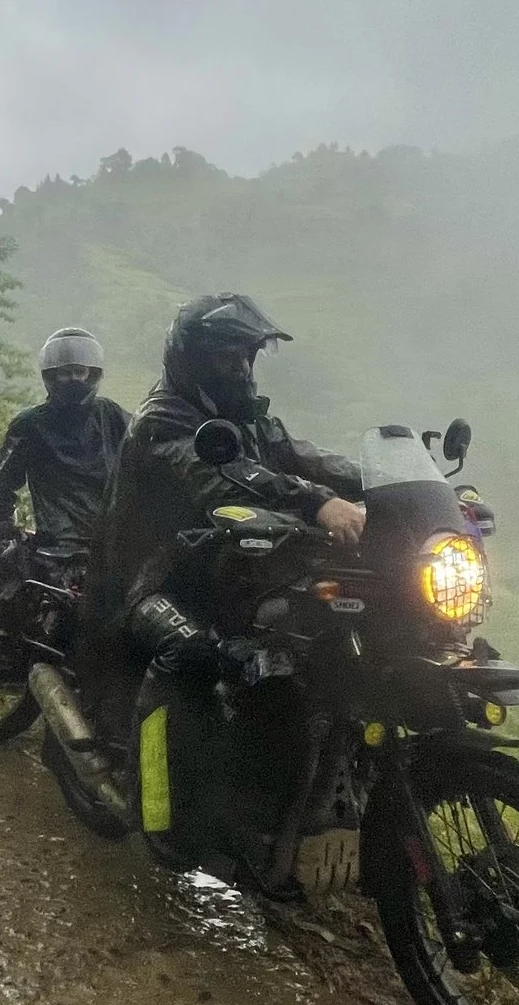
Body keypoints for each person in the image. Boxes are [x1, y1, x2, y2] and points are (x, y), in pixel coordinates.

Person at [91, 293, 366, 723]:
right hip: (150, 578)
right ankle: (144, 780)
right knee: (192, 651)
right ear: (193, 361)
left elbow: (302, 456)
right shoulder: (163, 419)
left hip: (215, 569)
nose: (240, 368)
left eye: (246, 356)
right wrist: (318, 503)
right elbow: (220, 477)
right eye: (226, 358)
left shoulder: (242, 413)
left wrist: (383, 482)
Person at [0, 327, 130, 548]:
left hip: (113, 540)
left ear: (90, 373)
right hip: (55, 546)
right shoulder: (28, 424)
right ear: (52, 375)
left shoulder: (111, 415)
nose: (74, 379)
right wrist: (2, 521)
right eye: (66, 372)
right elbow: (2, 479)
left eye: (79, 371)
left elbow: (146, 454)